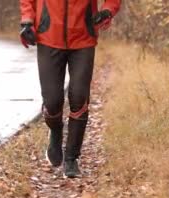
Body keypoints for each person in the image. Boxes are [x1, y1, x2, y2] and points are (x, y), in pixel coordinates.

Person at [19, 0, 121, 178]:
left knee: (79, 97)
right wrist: (27, 20)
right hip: (48, 36)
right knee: (52, 101)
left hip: (83, 39)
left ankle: (72, 158)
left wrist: (107, 11)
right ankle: (56, 132)